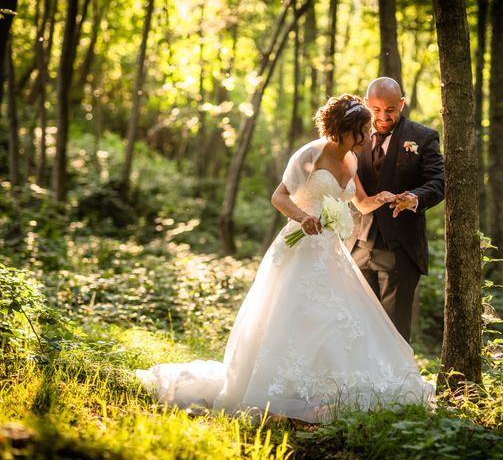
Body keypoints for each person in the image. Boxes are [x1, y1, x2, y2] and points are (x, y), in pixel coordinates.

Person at [136, 94, 435, 424]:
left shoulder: (351, 160)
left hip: (331, 253)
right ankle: (281, 392)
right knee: (299, 314)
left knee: (336, 321)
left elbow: (359, 204)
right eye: (362, 131)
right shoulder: (310, 154)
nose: (367, 137)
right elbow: (279, 197)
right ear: (345, 130)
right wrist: (303, 217)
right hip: (299, 249)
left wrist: (382, 198)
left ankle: (322, 393)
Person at [347, 77, 445, 342]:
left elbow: (438, 182)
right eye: (376, 110)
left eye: (390, 109)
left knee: (394, 332)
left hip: (400, 248)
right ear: (366, 104)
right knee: (357, 326)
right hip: (356, 244)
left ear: (401, 103)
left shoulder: (423, 137)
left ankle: (395, 383)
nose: (383, 116)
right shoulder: (354, 135)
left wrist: (413, 197)